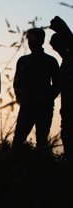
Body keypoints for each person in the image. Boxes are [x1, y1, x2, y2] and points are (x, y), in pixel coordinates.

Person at [12, 28, 60, 153]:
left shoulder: (50, 61)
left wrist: (46, 99)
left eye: (32, 39)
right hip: (27, 107)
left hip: (44, 107)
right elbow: (16, 83)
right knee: (18, 141)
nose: (30, 42)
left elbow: (57, 85)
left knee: (42, 142)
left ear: (41, 41)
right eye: (29, 40)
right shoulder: (23, 61)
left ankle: (41, 169)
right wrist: (21, 97)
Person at [49, 16, 73, 160]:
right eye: (54, 48)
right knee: (67, 135)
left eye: (57, 47)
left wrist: (59, 25)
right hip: (67, 108)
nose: (57, 51)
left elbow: (70, 37)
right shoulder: (64, 64)